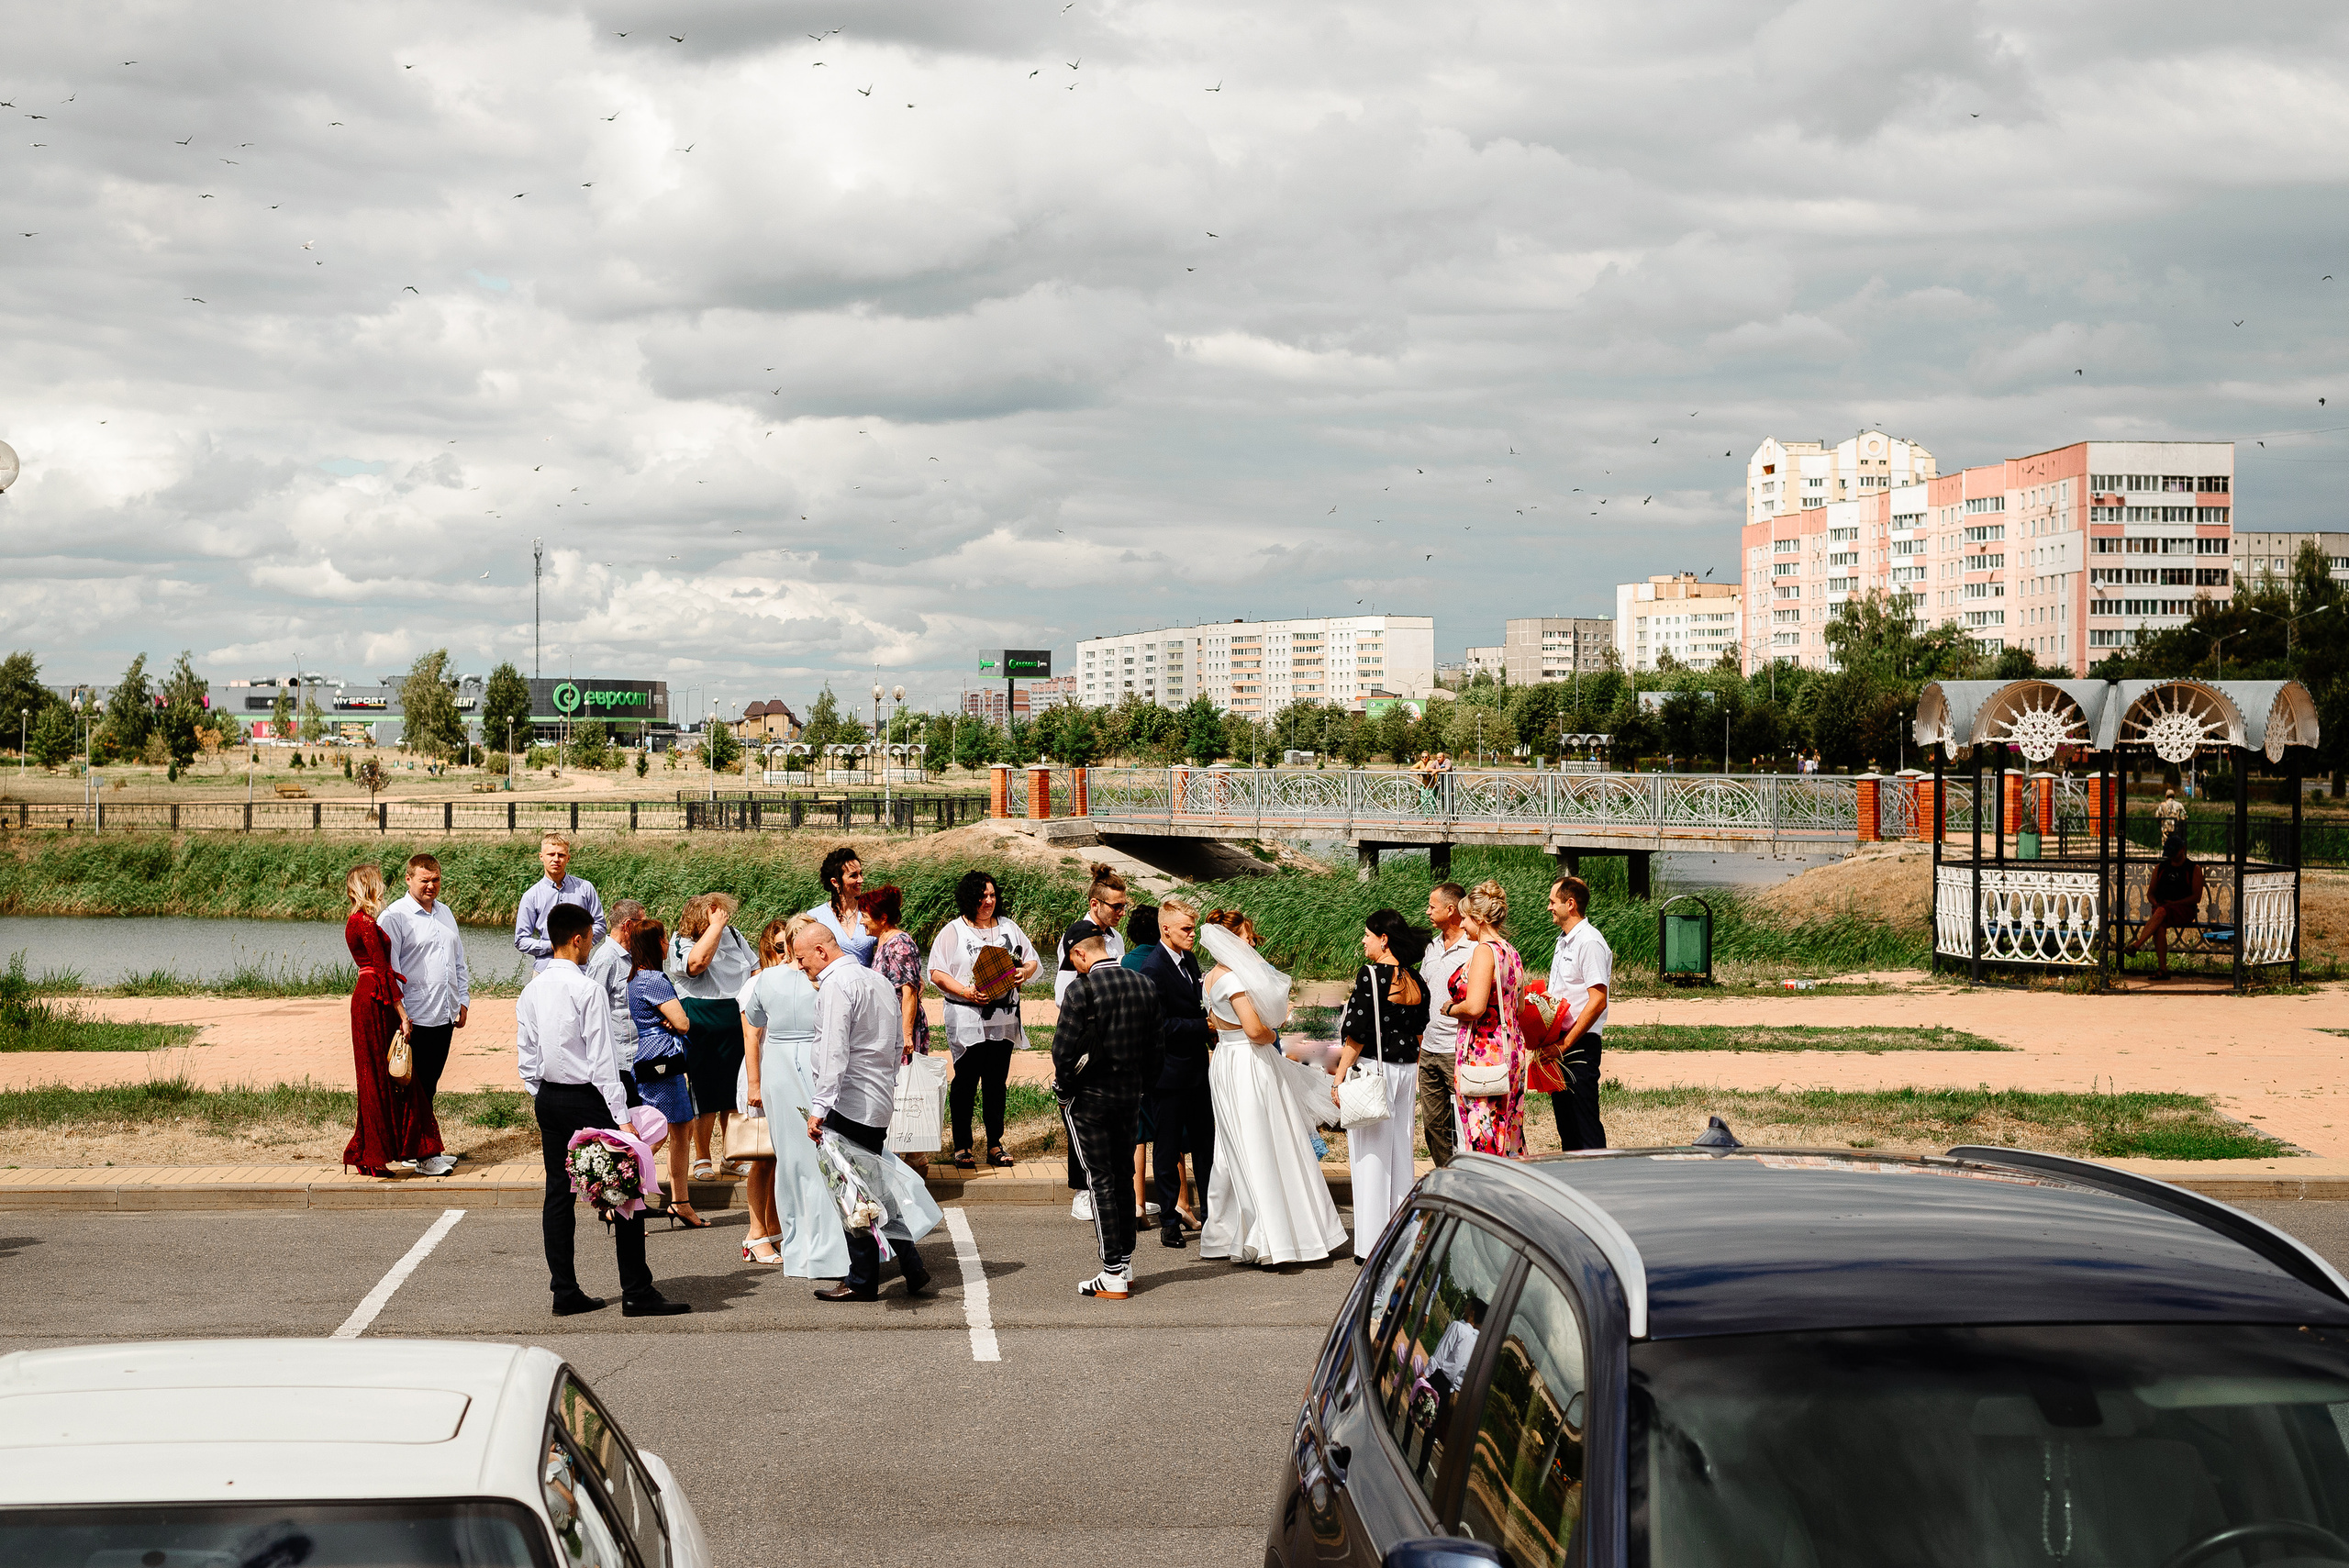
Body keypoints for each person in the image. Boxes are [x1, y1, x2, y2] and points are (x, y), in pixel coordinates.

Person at [518, 902, 689, 1318]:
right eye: (589, 940)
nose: (590, 946)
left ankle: (564, 1291)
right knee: (624, 1189)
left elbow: (527, 1054)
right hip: (588, 1097)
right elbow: (602, 1060)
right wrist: (623, 1118)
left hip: (550, 1097)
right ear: (578, 939)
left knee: (558, 1194)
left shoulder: (531, 989)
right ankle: (636, 1291)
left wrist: (540, 1091)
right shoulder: (587, 989)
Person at [795, 921, 939, 1302]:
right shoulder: (877, 980)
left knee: (851, 1191)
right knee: (873, 1186)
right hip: (876, 1098)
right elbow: (894, 1044)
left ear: (821, 951)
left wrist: (819, 1107)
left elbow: (833, 1052)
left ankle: (862, 1279)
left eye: (802, 958)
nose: (800, 965)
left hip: (849, 1101)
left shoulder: (836, 986)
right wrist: (887, 1083)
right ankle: (910, 1263)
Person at [1196, 909, 1348, 1267]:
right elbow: (1254, 1030)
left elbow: (1217, 1024)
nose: (1251, 944)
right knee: (1267, 1139)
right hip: (1249, 1061)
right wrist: (1272, 1032)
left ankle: (1225, 1232)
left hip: (1225, 1059)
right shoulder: (1234, 980)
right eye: (1247, 938)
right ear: (1231, 940)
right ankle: (1275, 1236)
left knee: (1234, 1144)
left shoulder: (1210, 978)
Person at [1055, 933, 1163, 1298]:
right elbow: (1156, 1051)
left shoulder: (1081, 989)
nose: (1075, 967)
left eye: (1074, 961)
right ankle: (1125, 1263)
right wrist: (1141, 1088)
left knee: (1099, 1180)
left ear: (1080, 953)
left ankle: (1112, 1270)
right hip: (1129, 1096)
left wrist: (1065, 1091)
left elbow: (1062, 1052)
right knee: (1123, 1177)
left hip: (1089, 1099)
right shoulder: (1144, 985)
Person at [736, 917, 841, 1273]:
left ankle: (789, 1241)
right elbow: (751, 1033)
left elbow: (756, 1022)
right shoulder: (809, 982)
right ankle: (773, 1236)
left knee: (792, 1161)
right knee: (796, 1158)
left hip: (784, 1070)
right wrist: (754, 1084)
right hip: (793, 1068)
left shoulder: (787, 979)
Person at [1332, 909, 1430, 1262]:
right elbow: (1419, 1031)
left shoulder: (1371, 975)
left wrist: (1339, 1077)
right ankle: (1401, 1238)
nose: (1363, 941)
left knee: (1370, 1157)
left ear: (1383, 939)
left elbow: (1357, 1034)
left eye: (1368, 935)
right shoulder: (1415, 979)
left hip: (1376, 1068)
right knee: (1401, 1153)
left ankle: (1371, 1245)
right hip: (1407, 1068)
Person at [928, 870, 1041, 1170]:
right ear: (969, 898)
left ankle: (994, 1144)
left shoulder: (1009, 927)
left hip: (1003, 1020)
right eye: (982, 896)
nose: (988, 901)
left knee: (996, 1083)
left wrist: (1023, 972)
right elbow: (936, 972)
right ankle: (962, 1145)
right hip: (967, 1018)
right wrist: (966, 991)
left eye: (992, 895)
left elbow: (1032, 960)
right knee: (965, 1082)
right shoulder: (953, 931)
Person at [342, 863, 438, 1178]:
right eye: (379, 883)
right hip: (375, 998)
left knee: (374, 1075)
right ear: (370, 886)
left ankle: (369, 1151)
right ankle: (373, 1153)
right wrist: (403, 1015)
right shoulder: (365, 923)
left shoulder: (356, 921)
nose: (383, 888)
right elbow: (383, 970)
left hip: (368, 995)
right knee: (378, 1077)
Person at [375, 852, 466, 1176]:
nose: (431, 886)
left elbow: (458, 960)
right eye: (424, 880)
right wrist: (401, 1013)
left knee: (429, 1086)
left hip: (444, 1012)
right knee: (415, 1090)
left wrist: (463, 1000)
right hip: (414, 1016)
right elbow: (390, 970)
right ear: (408, 879)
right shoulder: (395, 916)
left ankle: (413, 1150)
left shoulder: (445, 913)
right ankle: (426, 1155)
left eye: (436, 879)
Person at [1056, 865, 1131, 1218]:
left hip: (1111, 1034)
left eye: (1124, 906)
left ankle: (1107, 1188)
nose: (1121, 912)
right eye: (1116, 906)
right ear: (1095, 904)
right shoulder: (1077, 936)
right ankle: (1081, 1192)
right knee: (1082, 1114)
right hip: (1085, 1035)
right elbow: (1063, 992)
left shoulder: (1115, 938)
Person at [624, 921, 709, 1228]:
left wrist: (671, 1019)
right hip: (663, 1060)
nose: (667, 944)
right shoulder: (655, 979)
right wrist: (677, 1020)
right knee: (658, 1132)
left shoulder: (635, 978)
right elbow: (683, 1023)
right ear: (656, 943)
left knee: (680, 1127)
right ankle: (621, 1194)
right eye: (664, 939)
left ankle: (680, 1202)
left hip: (649, 1055)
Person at [668, 892, 759, 1179]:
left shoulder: (735, 935)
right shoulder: (681, 940)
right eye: (716, 912)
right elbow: (696, 965)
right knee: (704, 1092)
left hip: (735, 1015)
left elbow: (755, 968)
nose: (723, 916)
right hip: (701, 1017)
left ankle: (732, 1155)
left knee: (733, 1091)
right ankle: (702, 1157)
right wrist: (715, 927)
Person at [1141, 897, 1215, 1248]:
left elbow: (1195, 1004)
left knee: (1205, 1146)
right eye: (1187, 929)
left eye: (1194, 928)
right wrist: (1204, 1027)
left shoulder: (1189, 960)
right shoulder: (1153, 969)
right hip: (1168, 1075)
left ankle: (1212, 1216)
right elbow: (1159, 1026)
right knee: (1168, 1149)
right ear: (1165, 928)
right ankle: (1169, 1221)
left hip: (1197, 1071)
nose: (1192, 934)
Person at [1440, 880, 1526, 1159]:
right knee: (1508, 1130)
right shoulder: (1510, 951)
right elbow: (1519, 1008)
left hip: (1483, 1054)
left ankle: (1486, 1182)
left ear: (1478, 918)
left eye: (1465, 918)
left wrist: (1451, 1009)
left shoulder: (1484, 951)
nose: (1462, 924)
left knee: (1483, 1133)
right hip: (1511, 1051)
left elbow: (1475, 1007)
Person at [1119, 904, 1177, 1227]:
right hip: (1166, 1051)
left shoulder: (1125, 962)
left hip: (1135, 1051)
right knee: (1170, 1130)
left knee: (1138, 1133)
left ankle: (1138, 1203)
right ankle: (1182, 1202)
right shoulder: (1165, 960)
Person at [1543, 875, 1610, 1151]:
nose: (1549, 907)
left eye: (1553, 902)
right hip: (1559, 1042)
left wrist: (1565, 1045)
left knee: (1584, 1126)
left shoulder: (1589, 942)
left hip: (1579, 1043)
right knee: (1567, 1126)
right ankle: (1573, 1175)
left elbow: (1598, 1000)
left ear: (1570, 904)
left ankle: (1598, 1175)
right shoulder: (1564, 941)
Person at [1417, 884, 1473, 1168]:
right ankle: (1447, 1176)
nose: (1427, 912)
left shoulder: (1474, 948)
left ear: (1451, 910)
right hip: (1429, 1049)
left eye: (1432, 907)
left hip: (1458, 1049)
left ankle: (1471, 1176)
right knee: (1433, 1126)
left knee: (1467, 1124)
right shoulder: (1431, 946)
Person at [515, 832, 606, 971]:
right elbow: (521, 940)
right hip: (544, 970)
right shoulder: (531, 896)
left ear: (568, 858)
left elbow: (600, 924)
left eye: (561, 855)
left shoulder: (585, 889)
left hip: (579, 970)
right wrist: (552, 945)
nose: (556, 859)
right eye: (551, 854)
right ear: (541, 857)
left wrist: (580, 944)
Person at [2128, 833, 2206, 981]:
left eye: (2174, 853)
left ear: (2182, 849)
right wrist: (2155, 902)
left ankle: (2137, 945)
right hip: (2161, 909)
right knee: (2159, 924)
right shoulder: (2161, 868)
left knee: (2161, 913)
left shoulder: (2193, 869)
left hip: (2183, 910)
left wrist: (2174, 904)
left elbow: (2196, 897)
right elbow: (2150, 893)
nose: (2172, 857)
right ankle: (2162, 969)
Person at [861, 885, 927, 1059]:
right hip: (889, 1026)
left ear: (883, 918)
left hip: (900, 1031)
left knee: (904, 1075)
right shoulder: (884, 943)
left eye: (865, 917)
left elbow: (909, 992)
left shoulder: (899, 945)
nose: (861, 922)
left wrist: (906, 1035)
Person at [584, 897, 647, 1075]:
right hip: (621, 1061)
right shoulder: (606, 959)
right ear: (628, 925)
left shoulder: (632, 955)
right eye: (642, 923)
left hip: (638, 1056)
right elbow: (591, 1010)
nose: (645, 929)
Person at [808, 844, 876, 966]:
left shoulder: (871, 911)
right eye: (853, 876)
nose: (861, 880)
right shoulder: (815, 917)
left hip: (868, 978)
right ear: (835, 882)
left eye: (861, 874)